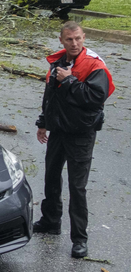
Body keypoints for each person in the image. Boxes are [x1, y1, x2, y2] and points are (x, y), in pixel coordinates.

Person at [33, 22, 115, 258]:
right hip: (58, 130)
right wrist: (43, 123)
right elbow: (50, 96)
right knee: (51, 177)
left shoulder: (94, 64)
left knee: (76, 187)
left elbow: (95, 98)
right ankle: (51, 222)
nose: (74, 43)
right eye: (69, 39)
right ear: (61, 40)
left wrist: (69, 80)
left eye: (78, 38)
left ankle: (79, 239)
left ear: (84, 37)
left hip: (81, 133)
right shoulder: (57, 62)